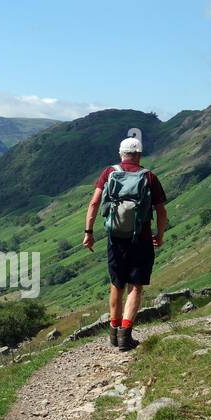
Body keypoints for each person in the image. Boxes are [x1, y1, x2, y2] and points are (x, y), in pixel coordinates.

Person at [82, 136, 167, 350]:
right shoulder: (149, 176)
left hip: (116, 238)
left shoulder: (108, 173)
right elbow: (161, 210)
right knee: (135, 286)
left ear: (121, 154)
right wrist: (160, 233)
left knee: (116, 284)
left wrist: (88, 232)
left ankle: (113, 332)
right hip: (142, 238)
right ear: (138, 154)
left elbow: (94, 203)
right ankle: (125, 336)